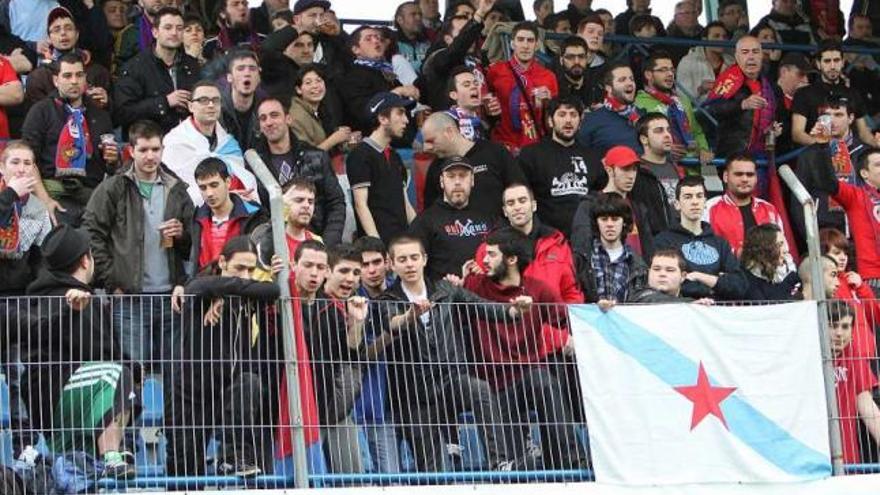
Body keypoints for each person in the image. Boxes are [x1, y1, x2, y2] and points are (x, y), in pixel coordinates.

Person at [378, 234, 531, 472]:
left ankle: (499, 463)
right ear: (392, 264)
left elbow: (482, 307)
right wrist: (410, 316)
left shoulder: (445, 289)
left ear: (424, 259)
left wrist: (515, 311)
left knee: (479, 389)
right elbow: (391, 323)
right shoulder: (387, 298)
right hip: (414, 393)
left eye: (414, 258)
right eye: (403, 259)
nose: (409, 264)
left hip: (451, 379)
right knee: (431, 469)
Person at [463, 228, 586, 470]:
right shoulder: (475, 286)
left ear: (511, 260)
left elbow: (568, 322)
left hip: (529, 372)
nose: (484, 260)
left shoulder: (539, 290)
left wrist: (599, 312)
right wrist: (459, 279)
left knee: (543, 381)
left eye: (491, 255)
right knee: (518, 465)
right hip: (494, 384)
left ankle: (570, 463)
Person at [22, 225, 137, 479]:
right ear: (86, 260)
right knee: (118, 375)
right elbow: (101, 352)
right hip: (62, 392)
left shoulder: (40, 297)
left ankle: (107, 456)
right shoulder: (77, 299)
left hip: (45, 402)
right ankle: (113, 456)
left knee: (82, 472)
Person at [83, 120, 193, 381]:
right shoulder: (113, 187)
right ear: (130, 150)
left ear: (163, 149)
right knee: (132, 376)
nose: (150, 156)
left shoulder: (177, 189)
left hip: (171, 297)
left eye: (155, 149)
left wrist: (182, 235)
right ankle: (133, 424)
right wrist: (112, 280)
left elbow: (194, 241)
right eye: (143, 150)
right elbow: (91, 232)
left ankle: (173, 423)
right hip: (128, 297)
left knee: (176, 376)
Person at [165, 236, 280, 477]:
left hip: (228, 387)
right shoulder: (202, 285)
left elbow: (273, 289)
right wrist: (225, 291)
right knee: (184, 471)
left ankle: (232, 457)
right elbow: (196, 288)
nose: (246, 276)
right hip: (190, 392)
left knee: (251, 383)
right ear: (222, 261)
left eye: (251, 270)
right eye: (239, 268)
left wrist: (227, 291)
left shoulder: (245, 295)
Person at [21, 52, 116, 226]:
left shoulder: (100, 115)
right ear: (56, 81)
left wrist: (112, 160)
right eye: (67, 75)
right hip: (52, 192)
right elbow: (27, 162)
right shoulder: (41, 111)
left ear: (85, 79)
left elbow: (110, 168)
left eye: (79, 75)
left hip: (91, 194)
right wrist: (46, 201)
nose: (74, 81)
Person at [298, 243, 367, 474]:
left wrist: (357, 322)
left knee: (354, 478)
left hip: (338, 408)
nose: (351, 279)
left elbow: (351, 352)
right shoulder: (313, 304)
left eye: (356, 273)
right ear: (329, 271)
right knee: (310, 476)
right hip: (311, 406)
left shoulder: (348, 306)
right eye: (344, 271)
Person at [254, 96, 345, 246]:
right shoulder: (254, 164)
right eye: (263, 118)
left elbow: (336, 202)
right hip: (276, 250)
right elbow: (256, 212)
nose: (269, 122)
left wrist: (326, 244)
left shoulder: (316, 156)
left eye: (274, 115)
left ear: (288, 119)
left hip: (317, 245)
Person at [705, 35, 784, 196]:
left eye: (755, 52)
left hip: (763, 157)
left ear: (762, 55)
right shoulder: (730, 80)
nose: (751, 57)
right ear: (736, 56)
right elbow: (710, 110)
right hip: (734, 155)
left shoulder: (771, 86)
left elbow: (780, 118)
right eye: (745, 52)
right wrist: (741, 105)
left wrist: (776, 130)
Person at [518, 96, 605, 236]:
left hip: (587, 236)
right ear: (550, 121)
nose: (568, 120)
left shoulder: (592, 156)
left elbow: (600, 191)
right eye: (562, 114)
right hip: (548, 239)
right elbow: (522, 195)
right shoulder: (531, 154)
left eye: (573, 115)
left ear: (580, 121)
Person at [162, 80, 258, 207]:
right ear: (191, 106)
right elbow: (175, 191)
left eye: (216, 100)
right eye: (203, 100)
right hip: (193, 217)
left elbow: (244, 180)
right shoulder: (176, 141)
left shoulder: (229, 144)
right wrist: (226, 197)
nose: (211, 105)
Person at [654, 176, 749, 300]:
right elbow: (666, 282)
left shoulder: (720, 243)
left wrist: (698, 276)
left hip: (718, 313)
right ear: (677, 204)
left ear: (705, 202)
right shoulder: (664, 241)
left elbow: (740, 285)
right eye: (688, 197)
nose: (694, 202)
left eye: (699, 196)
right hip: (683, 310)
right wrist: (717, 283)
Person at [801, 145, 880, 295]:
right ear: (864, 173)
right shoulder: (856, 196)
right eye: (878, 165)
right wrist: (822, 146)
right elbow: (827, 181)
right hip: (873, 279)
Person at [351, 235, 400, 474]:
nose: (372, 270)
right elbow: (362, 354)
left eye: (376, 262)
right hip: (375, 404)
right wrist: (395, 330)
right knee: (390, 477)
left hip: (410, 399)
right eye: (365, 264)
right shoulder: (354, 300)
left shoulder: (402, 290)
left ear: (388, 262)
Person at [113, 6, 201, 135]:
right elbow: (123, 113)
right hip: (150, 143)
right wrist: (164, 102)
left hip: (189, 140)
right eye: (168, 27)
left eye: (179, 28)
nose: (174, 32)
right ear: (155, 32)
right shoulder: (134, 67)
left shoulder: (192, 65)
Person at [421, 111, 523, 218]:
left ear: (449, 132)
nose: (426, 148)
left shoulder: (495, 153)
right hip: (456, 232)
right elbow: (430, 215)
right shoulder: (435, 168)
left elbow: (520, 191)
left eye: (431, 141)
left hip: (501, 231)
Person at [347, 92, 416, 243]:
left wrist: (420, 235)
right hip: (379, 250)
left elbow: (405, 202)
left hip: (402, 245)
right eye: (400, 113)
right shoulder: (360, 155)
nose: (406, 120)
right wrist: (377, 245)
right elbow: (361, 205)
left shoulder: (395, 156)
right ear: (383, 118)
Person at [410, 156, 494, 281]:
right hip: (444, 297)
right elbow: (413, 266)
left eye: (463, 175)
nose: (457, 182)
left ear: (472, 180)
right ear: (442, 181)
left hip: (483, 295)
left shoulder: (487, 216)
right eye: (451, 176)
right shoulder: (425, 221)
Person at [571, 146, 657, 258]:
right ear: (609, 170)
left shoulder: (638, 208)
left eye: (634, 169)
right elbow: (582, 245)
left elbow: (648, 249)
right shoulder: (589, 205)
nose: (631, 176)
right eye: (625, 169)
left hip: (637, 271)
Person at [486, 21, 558, 154]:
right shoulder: (495, 71)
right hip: (503, 144)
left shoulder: (549, 77)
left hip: (536, 146)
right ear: (512, 44)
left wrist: (549, 104)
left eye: (530, 41)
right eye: (520, 40)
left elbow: (554, 119)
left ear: (537, 45)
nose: (525, 45)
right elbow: (485, 107)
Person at [792, 40, 876, 149]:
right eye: (827, 61)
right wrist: (827, 146)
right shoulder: (804, 94)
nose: (832, 66)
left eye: (836, 60)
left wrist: (876, 144)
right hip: (817, 157)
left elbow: (864, 133)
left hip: (850, 156)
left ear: (843, 62)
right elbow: (797, 134)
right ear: (818, 64)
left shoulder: (853, 93)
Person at [635, 52, 712, 168]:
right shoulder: (639, 103)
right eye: (663, 70)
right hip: (661, 169)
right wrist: (663, 149)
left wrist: (703, 150)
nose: (670, 74)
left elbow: (696, 132)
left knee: (714, 181)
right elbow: (636, 139)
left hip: (693, 166)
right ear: (648, 75)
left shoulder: (683, 101)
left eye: (672, 70)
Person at [24, 6, 111, 108]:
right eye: (56, 30)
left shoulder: (98, 72)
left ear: (77, 34)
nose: (63, 33)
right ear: (49, 38)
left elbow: (112, 114)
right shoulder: (38, 77)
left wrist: (107, 103)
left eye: (68, 28)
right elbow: (39, 118)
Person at [826, 302, 880, 465]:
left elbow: (865, 403)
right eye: (832, 326)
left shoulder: (852, 352)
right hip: (814, 451)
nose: (839, 333)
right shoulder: (808, 352)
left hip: (846, 455)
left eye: (845, 326)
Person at [339, 25, 419, 134]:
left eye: (378, 38)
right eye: (368, 39)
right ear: (356, 49)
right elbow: (364, 112)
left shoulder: (386, 70)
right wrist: (397, 92)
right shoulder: (352, 76)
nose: (376, 41)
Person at [191, 157, 266, 273]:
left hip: (241, 286)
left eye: (214, 185)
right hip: (204, 286)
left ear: (228, 182)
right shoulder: (196, 217)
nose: (209, 193)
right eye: (203, 187)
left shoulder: (254, 214)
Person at [420, 0, 494, 112]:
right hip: (452, 125)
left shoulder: (481, 59)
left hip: (479, 126)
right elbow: (456, 50)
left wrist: (493, 112)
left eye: (472, 17)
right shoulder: (438, 56)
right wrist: (480, 14)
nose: (470, 20)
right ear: (447, 38)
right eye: (464, 16)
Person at [705, 154, 787, 255]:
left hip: (767, 270)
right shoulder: (709, 207)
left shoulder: (769, 209)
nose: (745, 179)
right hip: (725, 270)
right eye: (739, 174)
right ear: (725, 177)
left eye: (750, 174)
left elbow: (783, 250)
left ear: (756, 178)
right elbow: (701, 247)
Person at [575, 191, 647, 303]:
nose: (609, 224)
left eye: (615, 219)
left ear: (624, 222)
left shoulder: (637, 262)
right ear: (596, 222)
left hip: (623, 319)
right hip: (589, 319)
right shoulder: (582, 258)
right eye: (604, 219)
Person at [0, 141, 52, 295]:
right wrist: (10, 194)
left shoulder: (39, 208)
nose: (21, 169)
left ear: (33, 169)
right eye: (15, 162)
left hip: (20, 294)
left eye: (27, 163)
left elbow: (41, 258)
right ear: (2, 167)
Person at [820, 227, 879, 359]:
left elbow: (875, 315)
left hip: (868, 354)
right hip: (847, 357)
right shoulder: (826, 285)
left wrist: (862, 288)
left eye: (845, 253)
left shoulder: (854, 281)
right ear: (823, 254)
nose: (842, 258)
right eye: (836, 253)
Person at [577, 62, 642, 155]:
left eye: (631, 79)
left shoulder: (643, 115)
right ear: (609, 88)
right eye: (622, 80)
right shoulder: (591, 120)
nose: (629, 83)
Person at [634, 113, 680, 230]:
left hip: (682, 238)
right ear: (644, 139)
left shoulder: (678, 169)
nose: (667, 135)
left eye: (668, 130)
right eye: (659, 131)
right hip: (655, 240)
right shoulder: (636, 171)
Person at [288, 64, 348, 152]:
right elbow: (306, 156)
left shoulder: (321, 108)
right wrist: (334, 139)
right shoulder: (296, 117)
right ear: (298, 89)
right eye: (308, 83)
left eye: (318, 81)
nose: (315, 86)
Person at [676, 21, 733, 105]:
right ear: (704, 39)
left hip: (729, 110)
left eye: (724, 37)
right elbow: (682, 97)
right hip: (699, 113)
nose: (721, 40)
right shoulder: (687, 62)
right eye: (716, 36)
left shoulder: (732, 62)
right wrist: (700, 90)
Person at [739, 223, 799, 301]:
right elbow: (768, 307)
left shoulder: (790, 269)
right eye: (780, 245)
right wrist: (790, 280)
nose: (786, 250)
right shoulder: (746, 280)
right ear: (764, 248)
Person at [220, 49, 261, 151]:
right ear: (229, 77)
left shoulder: (265, 110)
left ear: (259, 78)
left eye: (252, 69)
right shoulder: (216, 110)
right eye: (240, 69)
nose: (247, 73)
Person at [444, 65, 494, 142]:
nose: (474, 87)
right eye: (466, 85)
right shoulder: (446, 121)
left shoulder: (483, 124)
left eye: (476, 83)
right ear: (454, 95)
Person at [554, 35, 602, 113]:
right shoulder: (554, 86)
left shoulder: (597, 85)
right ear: (561, 60)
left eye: (581, 56)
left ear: (587, 59)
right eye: (570, 57)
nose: (577, 62)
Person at [627, 249, 694, 303]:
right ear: (649, 273)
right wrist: (693, 304)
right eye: (656, 269)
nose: (662, 274)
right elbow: (653, 299)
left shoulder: (690, 306)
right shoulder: (639, 296)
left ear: (683, 276)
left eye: (670, 270)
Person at [394, 1, 430, 73]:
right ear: (400, 20)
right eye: (413, 14)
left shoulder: (429, 41)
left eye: (420, 14)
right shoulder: (391, 43)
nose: (418, 18)